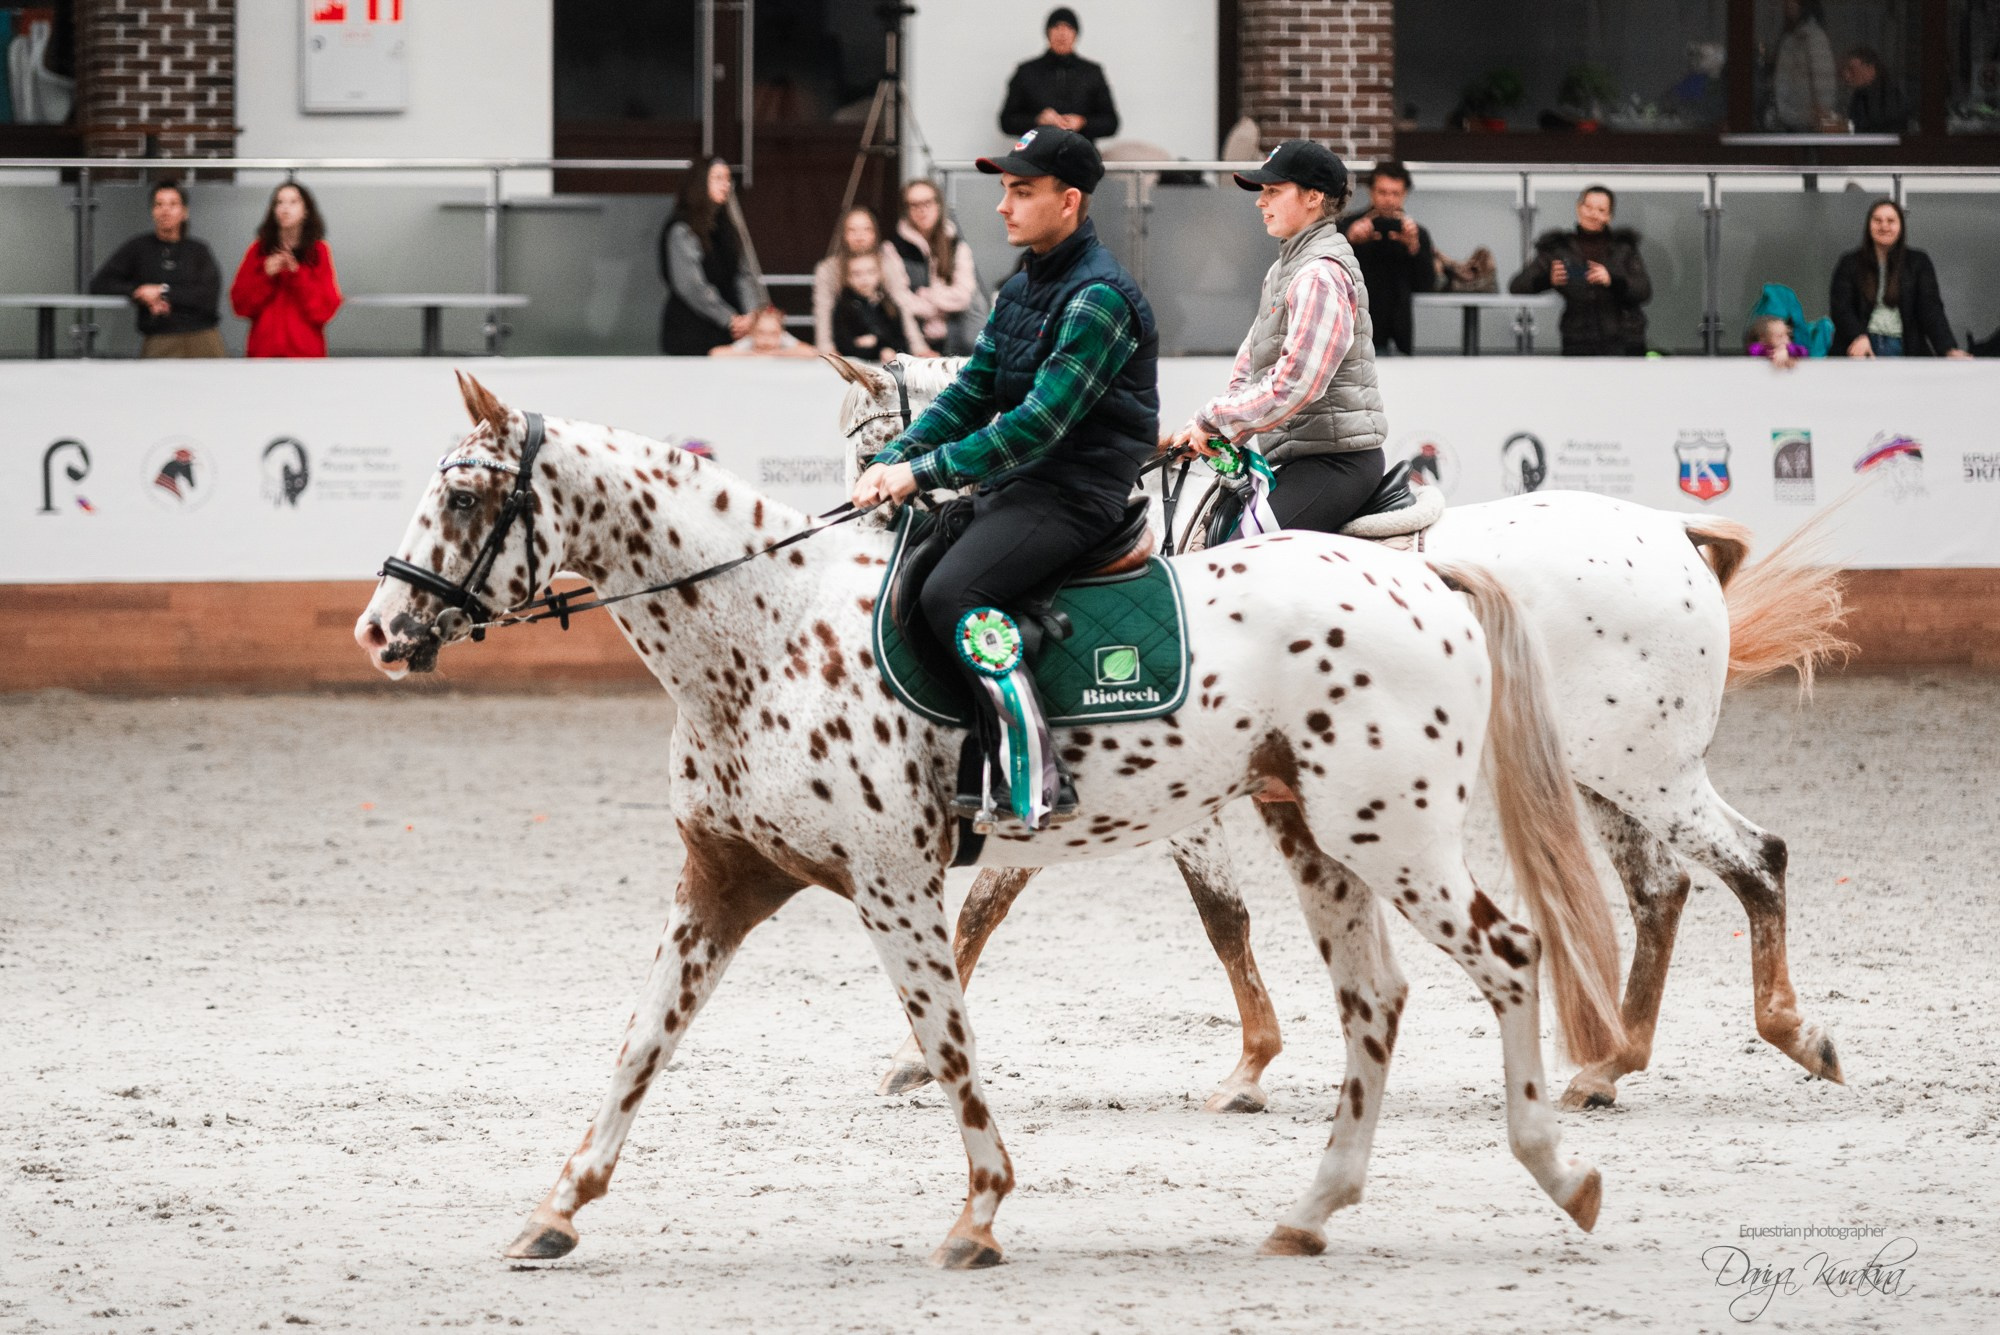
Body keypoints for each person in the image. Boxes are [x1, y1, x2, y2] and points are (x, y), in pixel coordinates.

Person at [852, 127, 1158, 828]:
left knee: (955, 590)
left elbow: (1038, 424)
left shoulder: (1099, 298)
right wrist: (896, 458)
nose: (1002, 206)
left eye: (1022, 191)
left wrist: (922, 472)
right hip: (1027, 486)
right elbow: (971, 393)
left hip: (1078, 492)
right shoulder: (1022, 287)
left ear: (1070, 201)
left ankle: (1034, 769)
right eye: (1003, 190)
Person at [1161, 139, 1387, 536]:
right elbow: (1251, 365)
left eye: (1272, 191)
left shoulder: (1320, 274)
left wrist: (1214, 419)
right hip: (1301, 457)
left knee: (1236, 557)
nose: (1259, 202)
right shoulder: (1282, 271)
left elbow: (1296, 384)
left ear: (1314, 196)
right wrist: (1223, 430)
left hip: (1336, 464)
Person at [1508, 185, 1651, 357]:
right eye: (1588, 207)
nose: (1593, 214)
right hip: (1578, 340)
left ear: (1609, 216)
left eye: (1601, 209)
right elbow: (1517, 286)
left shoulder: (1624, 248)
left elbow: (1643, 290)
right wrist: (1548, 280)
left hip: (1625, 339)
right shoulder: (1558, 248)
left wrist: (1611, 280)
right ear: (1578, 208)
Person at [89, 180, 224, 358]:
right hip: (160, 338)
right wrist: (139, 292)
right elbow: (100, 284)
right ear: (152, 211)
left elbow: (207, 297)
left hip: (203, 337)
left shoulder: (198, 250)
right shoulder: (139, 248)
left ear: (184, 212)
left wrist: (162, 291)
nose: (165, 211)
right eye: (159, 204)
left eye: (173, 204)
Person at [1829, 199, 1972, 359]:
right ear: (1869, 225)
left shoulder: (1918, 262)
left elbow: (1931, 309)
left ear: (1901, 226)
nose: (1884, 226)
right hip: (1860, 347)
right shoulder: (1850, 262)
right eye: (1877, 220)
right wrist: (1858, 336)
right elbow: (1841, 308)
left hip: (1904, 347)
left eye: (1891, 221)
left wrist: (1948, 348)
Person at [229, 181, 342, 359]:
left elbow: (325, 310)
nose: (285, 208)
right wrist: (265, 276)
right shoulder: (258, 250)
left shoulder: (319, 251)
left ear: (306, 211)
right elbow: (240, 306)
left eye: (293, 202)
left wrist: (297, 275)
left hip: (305, 356)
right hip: (264, 354)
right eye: (279, 202)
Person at [1334, 160, 1434, 356]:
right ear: (1371, 191)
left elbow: (1426, 285)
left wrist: (1413, 247)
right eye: (1382, 192)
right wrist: (1350, 240)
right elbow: (1327, 275)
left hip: (1398, 332)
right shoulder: (1347, 226)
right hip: (1353, 330)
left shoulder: (1416, 233)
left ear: (1405, 194)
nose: (1389, 199)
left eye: (1395, 193)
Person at [659, 157, 758, 356]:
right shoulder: (682, 228)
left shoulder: (727, 227)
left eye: (728, 179)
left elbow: (743, 275)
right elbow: (691, 286)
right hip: (691, 331)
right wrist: (730, 319)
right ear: (700, 183)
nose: (726, 184)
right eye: (718, 178)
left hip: (731, 332)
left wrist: (750, 316)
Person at [884, 178, 983, 356]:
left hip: (957, 338)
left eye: (927, 202)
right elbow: (900, 299)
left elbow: (963, 296)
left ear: (938, 204)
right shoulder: (893, 248)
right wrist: (941, 303)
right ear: (906, 210)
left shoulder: (956, 245)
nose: (922, 210)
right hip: (913, 341)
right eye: (914, 205)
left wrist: (927, 296)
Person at [998, 7, 1120, 143]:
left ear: (1076, 34)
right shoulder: (1026, 71)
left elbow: (1111, 122)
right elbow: (1006, 121)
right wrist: (1037, 120)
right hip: (1036, 155)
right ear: (1047, 32)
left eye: (1068, 27)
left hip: (1080, 155)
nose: (1062, 33)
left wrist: (1082, 122)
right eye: (1056, 27)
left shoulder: (1092, 72)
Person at [814, 207, 914, 355]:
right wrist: (826, 348)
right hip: (847, 347)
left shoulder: (888, 265)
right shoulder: (828, 269)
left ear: (875, 233)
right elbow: (823, 310)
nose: (859, 236)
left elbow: (903, 305)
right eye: (852, 230)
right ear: (843, 234)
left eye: (866, 229)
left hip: (886, 350)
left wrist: (918, 347)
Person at [832, 251, 923, 363]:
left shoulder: (889, 305)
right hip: (858, 365)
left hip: (889, 366)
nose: (864, 278)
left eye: (870, 272)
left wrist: (881, 345)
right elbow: (844, 345)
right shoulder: (843, 307)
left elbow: (900, 340)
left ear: (879, 274)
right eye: (856, 274)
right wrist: (878, 349)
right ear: (848, 278)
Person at [1770, 0, 1841, 131]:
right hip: (1790, 118)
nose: (1786, 5)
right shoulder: (1791, 37)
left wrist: (1823, 112)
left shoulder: (1814, 38)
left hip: (1807, 122)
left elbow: (1823, 78)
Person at [708, 304, 816, 359]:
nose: (767, 339)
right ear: (752, 333)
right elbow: (715, 353)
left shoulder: (784, 339)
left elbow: (811, 352)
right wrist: (750, 355)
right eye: (761, 333)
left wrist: (779, 354)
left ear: (781, 333)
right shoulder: (749, 342)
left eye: (773, 334)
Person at [1841, 46, 1908, 133]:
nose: (1846, 75)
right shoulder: (1860, 93)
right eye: (1845, 69)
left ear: (1870, 69)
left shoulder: (1887, 97)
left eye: (1851, 70)